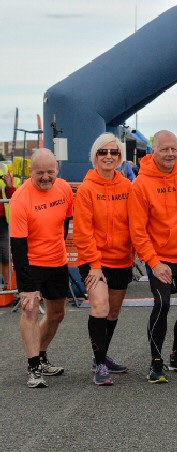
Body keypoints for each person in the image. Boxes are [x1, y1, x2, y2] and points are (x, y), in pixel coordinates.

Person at [129, 130, 177, 384]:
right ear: (154, 150)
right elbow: (138, 231)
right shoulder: (141, 183)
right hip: (160, 257)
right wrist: (154, 262)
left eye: (174, 149)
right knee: (161, 305)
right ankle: (155, 361)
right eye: (165, 149)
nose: (171, 154)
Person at [10, 148, 74, 388]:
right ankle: (33, 366)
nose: (45, 177)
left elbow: (65, 222)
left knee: (57, 314)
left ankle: (42, 354)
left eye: (50, 172)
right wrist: (26, 287)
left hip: (57, 261)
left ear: (57, 170)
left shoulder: (65, 189)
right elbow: (18, 245)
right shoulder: (20, 198)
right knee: (30, 310)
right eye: (40, 173)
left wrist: (57, 248)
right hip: (31, 262)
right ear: (30, 172)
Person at [74, 133, 133, 385]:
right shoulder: (87, 189)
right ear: (95, 157)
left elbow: (136, 223)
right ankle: (100, 365)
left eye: (113, 152)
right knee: (100, 307)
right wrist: (95, 265)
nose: (108, 156)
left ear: (120, 157)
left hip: (121, 258)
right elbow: (83, 231)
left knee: (113, 311)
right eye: (102, 152)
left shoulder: (128, 187)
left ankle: (102, 355)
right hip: (94, 260)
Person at [0, 162, 18, 290]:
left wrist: (10, 186)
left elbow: (14, 197)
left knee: (5, 255)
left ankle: (8, 288)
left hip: (3, 221)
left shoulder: (4, 168)